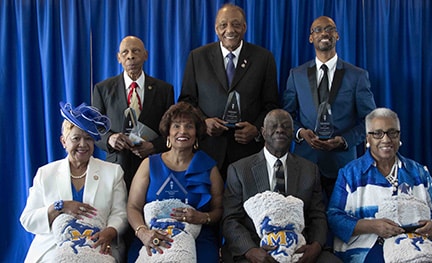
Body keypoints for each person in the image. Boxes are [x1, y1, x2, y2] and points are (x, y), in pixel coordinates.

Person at [327, 108, 432, 262]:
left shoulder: (418, 172)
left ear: (399, 136)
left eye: (392, 132)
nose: (386, 139)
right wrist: (372, 226)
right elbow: (334, 216)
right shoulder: (350, 174)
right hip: (369, 247)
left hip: (417, 245)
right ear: (367, 139)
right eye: (378, 133)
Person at [222, 109, 341, 263]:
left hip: (300, 248)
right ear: (263, 133)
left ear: (292, 133)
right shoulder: (239, 170)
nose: (280, 130)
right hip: (257, 249)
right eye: (274, 126)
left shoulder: (309, 170)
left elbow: (317, 216)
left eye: (285, 126)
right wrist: (250, 250)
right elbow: (230, 220)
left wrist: (316, 247)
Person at [179, 3, 280, 179]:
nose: (230, 30)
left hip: (248, 149)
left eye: (235, 24)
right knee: (208, 205)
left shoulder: (263, 58)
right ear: (216, 29)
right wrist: (203, 123)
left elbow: (271, 104)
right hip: (208, 147)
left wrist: (256, 130)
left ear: (245, 27)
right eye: (223, 25)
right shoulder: (197, 57)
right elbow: (186, 101)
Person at [20, 102, 128, 262]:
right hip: (54, 247)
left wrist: (110, 232)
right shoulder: (45, 173)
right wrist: (59, 207)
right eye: (76, 138)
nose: (83, 145)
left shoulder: (112, 172)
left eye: (89, 139)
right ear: (64, 141)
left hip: (98, 244)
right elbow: (28, 220)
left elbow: (120, 214)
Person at [282, 16, 376, 198]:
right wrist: (301, 133)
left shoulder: (357, 76)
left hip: (342, 163)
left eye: (329, 28)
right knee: (308, 222)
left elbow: (370, 120)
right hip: (306, 162)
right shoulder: (296, 75)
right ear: (311, 38)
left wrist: (344, 140)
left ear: (337, 36)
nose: (324, 33)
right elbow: (286, 115)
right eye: (318, 30)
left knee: (341, 221)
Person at [127, 102, 224, 262]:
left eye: (189, 126)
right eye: (176, 126)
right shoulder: (149, 164)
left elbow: (219, 210)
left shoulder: (209, 167)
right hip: (152, 235)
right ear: (168, 133)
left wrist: (202, 217)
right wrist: (143, 232)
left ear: (196, 134)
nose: (183, 131)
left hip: (197, 237)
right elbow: (133, 207)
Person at [92, 35, 175, 190]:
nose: (130, 56)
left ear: (146, 55)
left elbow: (171, 130)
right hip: (116, 167)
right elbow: (95, 129)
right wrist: (109, 139)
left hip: (152, 166)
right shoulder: (102, 89)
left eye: (136, 51)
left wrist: (154, 146)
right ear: (118, 58)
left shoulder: (164, 90)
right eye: (125, 53)